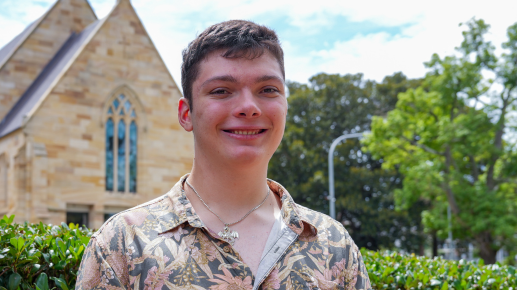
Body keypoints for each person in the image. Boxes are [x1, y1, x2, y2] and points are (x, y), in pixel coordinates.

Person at [76, 20, 371, 290]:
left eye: (268, 89)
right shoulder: (123, 244)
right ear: (186, 113)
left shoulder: (334, 245)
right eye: (221, 91)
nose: (249, 106)